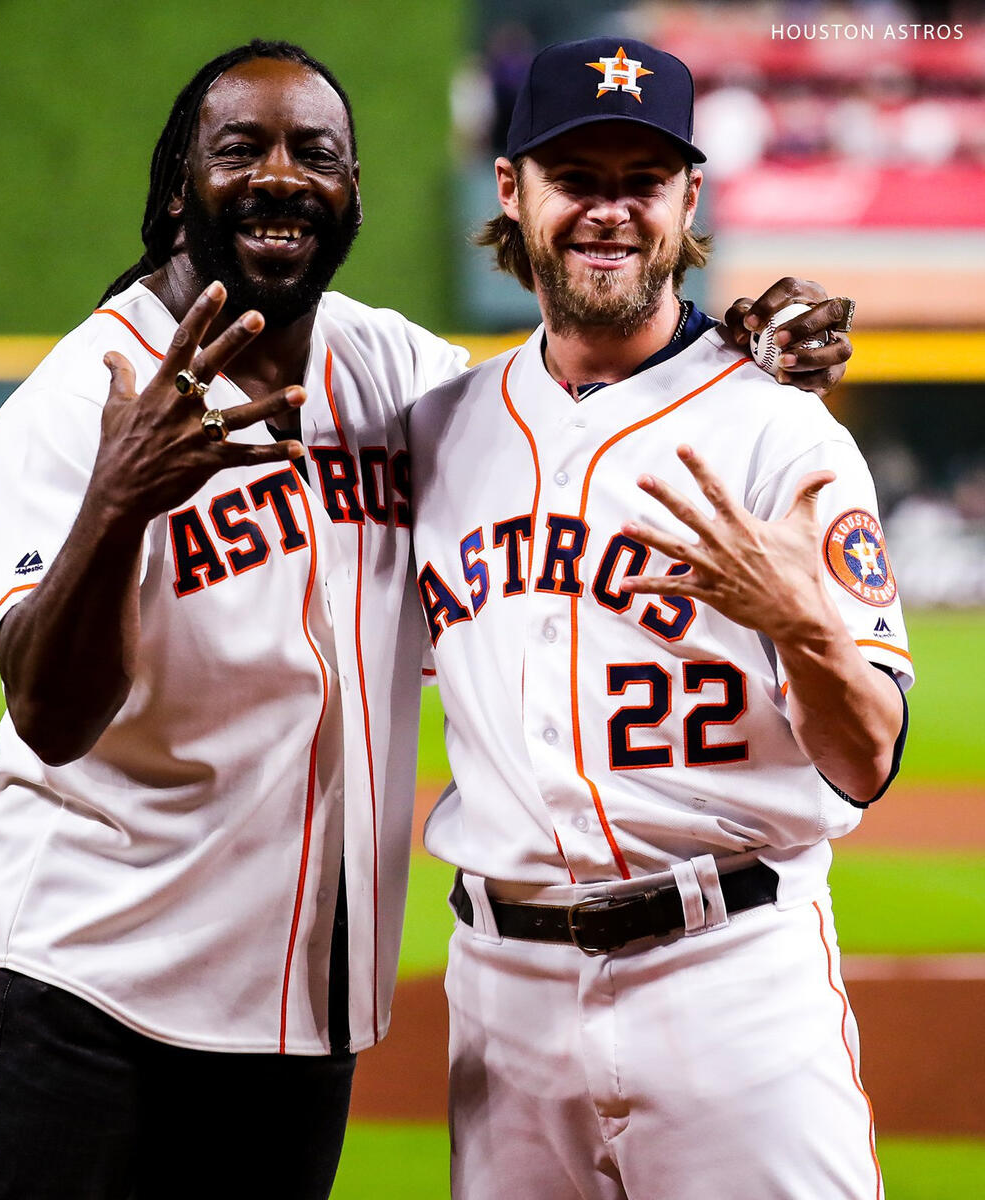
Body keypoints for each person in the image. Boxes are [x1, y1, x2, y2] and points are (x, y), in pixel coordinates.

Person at [0, 37, 857, 1200]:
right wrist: (119, 501)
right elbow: (49, 710)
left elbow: (572, 421)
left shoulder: (393, 371)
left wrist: (733, 356)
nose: (281, 176)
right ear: (178, 182)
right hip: (96, 995)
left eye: (316, 153)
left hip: (301, 1019)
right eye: (240, 149)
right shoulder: (83, 400)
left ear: (353, 194)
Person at [406, 37, 908, 1200]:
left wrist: (803, 621)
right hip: (502, 994)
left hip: (732, 976)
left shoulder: (782, 433)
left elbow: (868, 757)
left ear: (690, 198)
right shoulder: (440, 430)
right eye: (578, 176)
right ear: (511, 190)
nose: (610, 210)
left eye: (643, 179)